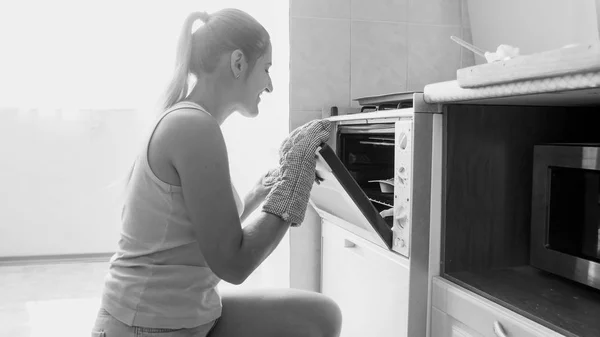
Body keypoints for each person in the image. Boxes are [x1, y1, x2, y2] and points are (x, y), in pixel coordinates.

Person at [91, 8, 342, 337]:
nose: (269, 85)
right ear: (238, 63)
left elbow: (199, 231)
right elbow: (234, 264)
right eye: (266, 68)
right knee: (319, 319)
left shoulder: (189, 122)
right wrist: (295, 179)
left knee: (320, 317)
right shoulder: (193, 126)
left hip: (185, 313)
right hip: (146, 324)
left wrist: (256, 193)